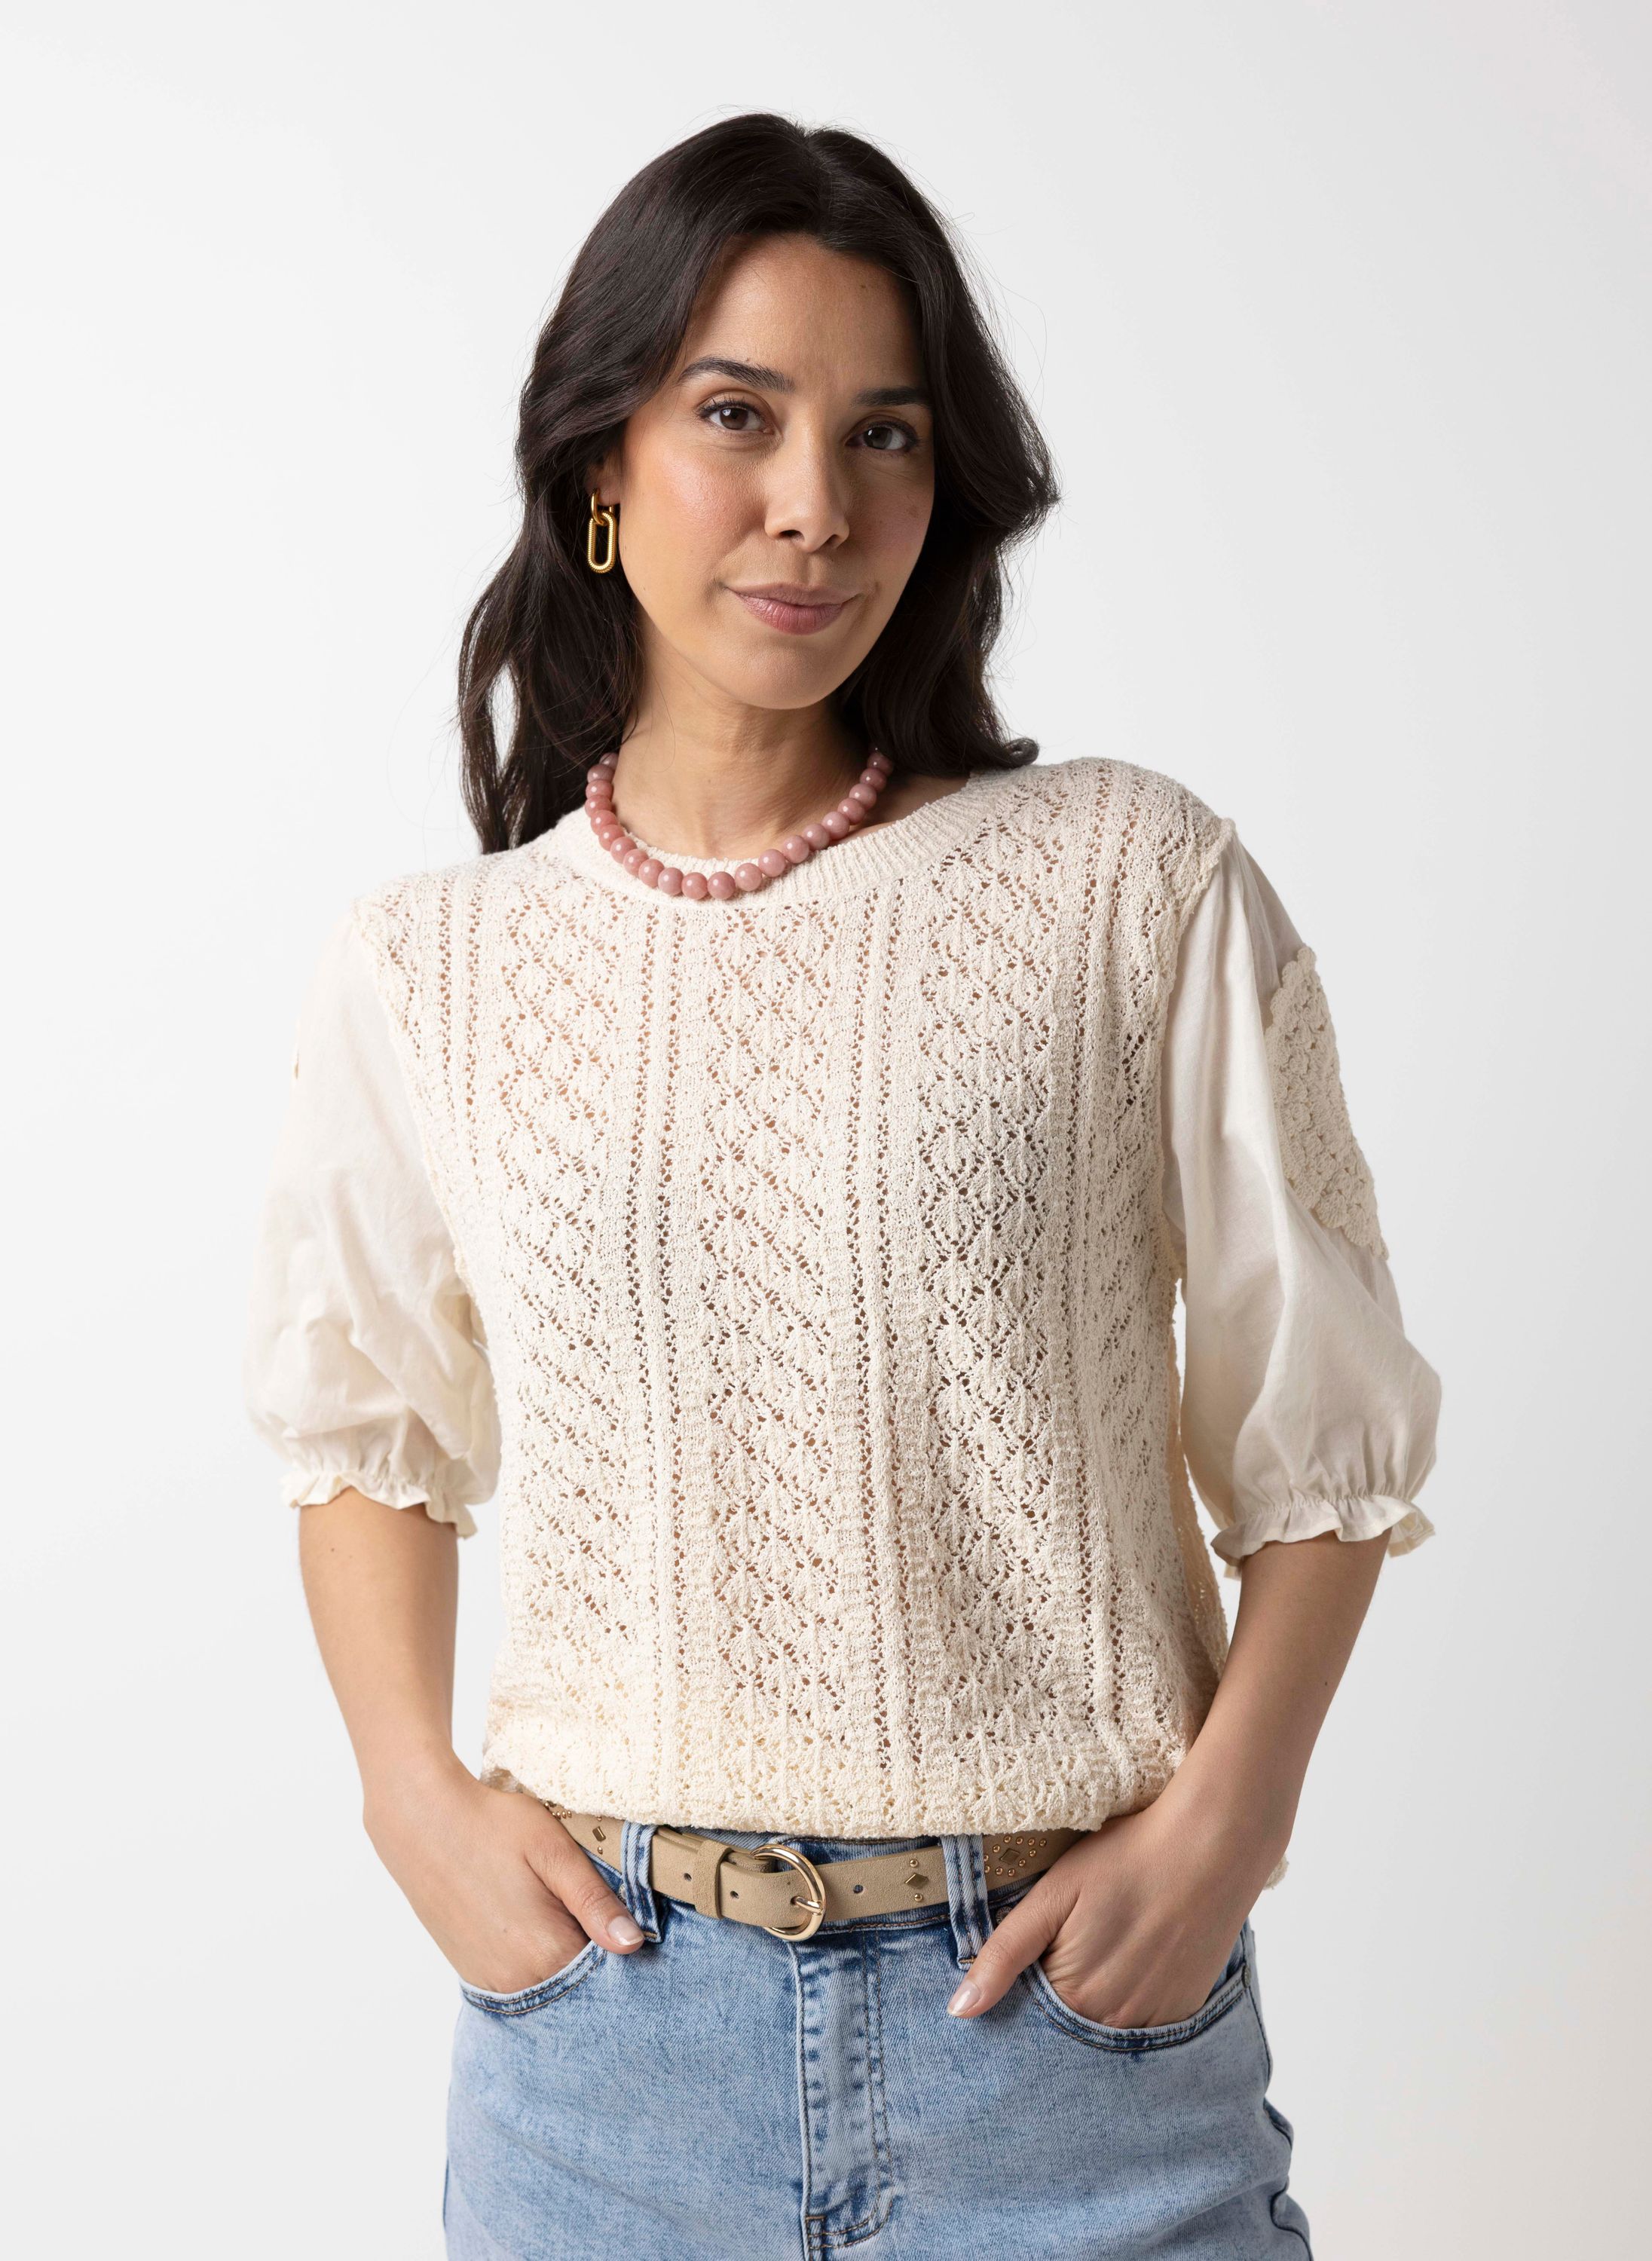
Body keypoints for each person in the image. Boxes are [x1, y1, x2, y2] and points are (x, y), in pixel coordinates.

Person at [243, 112, 1440, 2259]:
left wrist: (1233, 1825)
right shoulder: (432, 968)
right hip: (610, 2060)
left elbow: (1320, 1434)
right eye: (739, 417)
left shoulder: (1125, 882)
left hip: (1069, 2043)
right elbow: (366, 1430)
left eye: (885, 433)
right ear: (602, 469)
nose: (818, 503)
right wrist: (406, 1794)